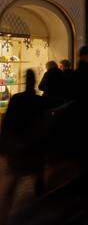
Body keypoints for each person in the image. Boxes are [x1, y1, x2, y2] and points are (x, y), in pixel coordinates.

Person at [0, 70, 48, 224]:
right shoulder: (38, 101)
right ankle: (39, 208)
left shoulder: (16, 99)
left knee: (14, 179)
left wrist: (4, 143)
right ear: (34, 81)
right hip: (34, 145)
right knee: (38, 177)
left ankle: (5, 215)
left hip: (19, 145)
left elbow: (7, 123)